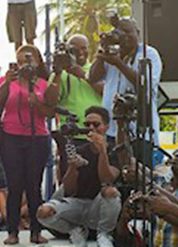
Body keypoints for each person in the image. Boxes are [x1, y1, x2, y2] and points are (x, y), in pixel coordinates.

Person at [0, 45, 55, 245]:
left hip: (38, 138)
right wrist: (8, 82)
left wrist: (37, 102)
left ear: (37, 62)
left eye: (28, 61)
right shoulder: (7, 80)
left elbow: (51, 112)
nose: (24, 65)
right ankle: (12, 232)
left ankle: (36, 231)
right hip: (11, 138)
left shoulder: (43, 83)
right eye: (19, 62)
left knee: (34, 186)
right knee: (14, 186)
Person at [36, 106, 121, 247]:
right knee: (43, 213)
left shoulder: (114, 150)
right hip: (78, 204)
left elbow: (107, 179)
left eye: (96, 124)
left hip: (99, 206)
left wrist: (102, 153)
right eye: (87, 125)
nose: (91, 128)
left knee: (110, 191)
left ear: (106, 127)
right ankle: (75, 230)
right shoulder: (79, 150)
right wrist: (72, 167)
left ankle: (105, 234)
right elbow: (68, 190)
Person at [89, 17, 164, 164]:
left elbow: (144, 84)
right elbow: (92, 77)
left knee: (139, 178)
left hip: (139, 131)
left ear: (138, 33)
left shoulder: (148, 54)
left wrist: (118, 63)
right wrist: (103, 52)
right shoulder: (112, 53)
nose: (125, 36)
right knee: (114, 180)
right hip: (111, 131)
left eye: (128, 32)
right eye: (120, 33)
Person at [118, 143, 178, 247]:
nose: (177, 155)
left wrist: (145, 183)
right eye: (175, 153)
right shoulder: (161, 183)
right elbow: (132, 164)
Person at [46, 34, 103, 175]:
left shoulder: (97, 69)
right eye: (74, 49)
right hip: (71, 136)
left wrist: (83, 75)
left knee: (96, 178)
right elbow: (50, 101)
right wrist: (58, 73)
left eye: (84, 48)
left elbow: (106, 91)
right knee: (71, 177)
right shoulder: (61, 74)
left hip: (96, 134)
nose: (80, 53)